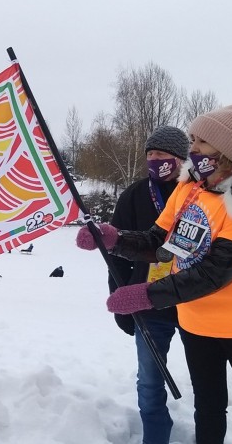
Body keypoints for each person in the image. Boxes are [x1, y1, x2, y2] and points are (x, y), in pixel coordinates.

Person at [84, 103, 232, 443]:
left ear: (224, 151)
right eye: (192, 139)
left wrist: (146, 295)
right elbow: (160, 243)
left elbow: (215, 273)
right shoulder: (190, 189)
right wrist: (114, 239)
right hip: (198, 322)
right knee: (209, 410)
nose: (192, 149)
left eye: (200, 141)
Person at [78, 125, 190, 444]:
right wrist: (121, 299)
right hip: (149, 303)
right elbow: (117, 255)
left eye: (163, 155)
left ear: (181, 159)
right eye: (150, 155)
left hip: (196, 302)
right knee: (150, 383)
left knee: (208, 381)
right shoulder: (135, 195)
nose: (155, 160)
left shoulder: (199, 194)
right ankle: (155, 438)